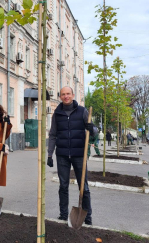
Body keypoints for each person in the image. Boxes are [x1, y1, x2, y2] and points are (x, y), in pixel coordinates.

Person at [47, 86, 98, 225]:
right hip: (62, 155)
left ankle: (87, 217)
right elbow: (52, 134)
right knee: (63, 186)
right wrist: (50, 154)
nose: (66, 96)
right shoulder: (57, 113)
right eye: (63, 94)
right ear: (60, 97)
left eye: (68, 94)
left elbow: (95, 131)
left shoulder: (82, 111)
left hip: (79, 155)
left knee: (84, 186)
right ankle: (63, 214)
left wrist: (91, 128)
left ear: (73, 95)